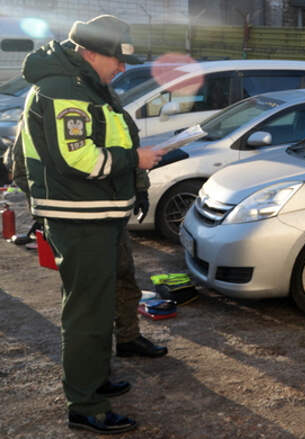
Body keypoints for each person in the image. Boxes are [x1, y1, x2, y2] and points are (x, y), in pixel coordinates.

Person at [21, 15, 165, 434]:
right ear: (88, 53)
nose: (121, 68)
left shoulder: (85, 85)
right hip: (79, 217)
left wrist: (133, 175)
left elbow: (111, 139)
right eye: (116, 59)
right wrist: (134, 161)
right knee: (86, 313)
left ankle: (95, 380)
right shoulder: (63, 90)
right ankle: (85, 405)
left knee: (98, 308)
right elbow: (77, 158)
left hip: (97, 214)